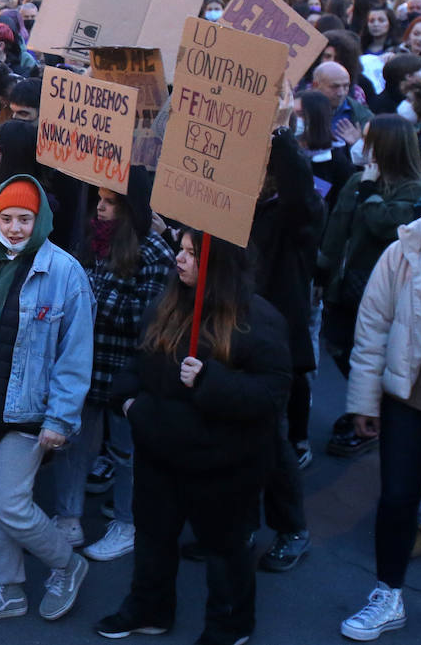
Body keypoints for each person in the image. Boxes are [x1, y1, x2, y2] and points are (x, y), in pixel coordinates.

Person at [97, 231, 291, 645]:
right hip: (159, 453)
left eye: (191, 254)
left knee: (224, 550)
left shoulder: (258, 320)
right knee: (153, 538)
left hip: (222, 465)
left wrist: (209, 380)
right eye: (181, 251)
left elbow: (271, 395)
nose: (179, 260)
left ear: (218, 263)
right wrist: (128, 402)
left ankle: (229, 626)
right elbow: (141, 361)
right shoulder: (164, 307)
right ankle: (149, 609)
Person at [0, 175, 93, 627]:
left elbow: (75, 353)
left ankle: (67, 564)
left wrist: (60, 419)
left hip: (27, 413)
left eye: (25, 218)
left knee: (9, 504)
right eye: (6, 218)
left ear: (41, 219)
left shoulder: (66, 273)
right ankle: (6, 589)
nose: (15, 228)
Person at [54, 174, 173, 563]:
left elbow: (148, 318)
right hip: (87, 362)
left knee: (127, 452)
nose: (101, 207)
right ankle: (67, 516)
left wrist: (88, 302)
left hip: (127, 369)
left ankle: (127, 522)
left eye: (112, 202)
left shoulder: (154, 252)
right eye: (100, 199)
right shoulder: (94, 240)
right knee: (74, 445)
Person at [340, 201, 421, 641]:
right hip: (409, 401)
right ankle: (388, 594)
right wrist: (364, 402)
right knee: (397, 499)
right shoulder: (405, 249)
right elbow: (373, 325)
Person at [320, 115, 421, 456]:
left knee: (368, 351)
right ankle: (363, 407)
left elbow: (387, 226)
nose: (363, 148)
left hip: (379, 290)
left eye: (369, 141)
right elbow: (336, 229)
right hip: (343, 284)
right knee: (339, 345)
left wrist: (369, 191)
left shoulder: (416, 191)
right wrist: (322, 272)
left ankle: (367, 416)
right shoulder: (356, 180)